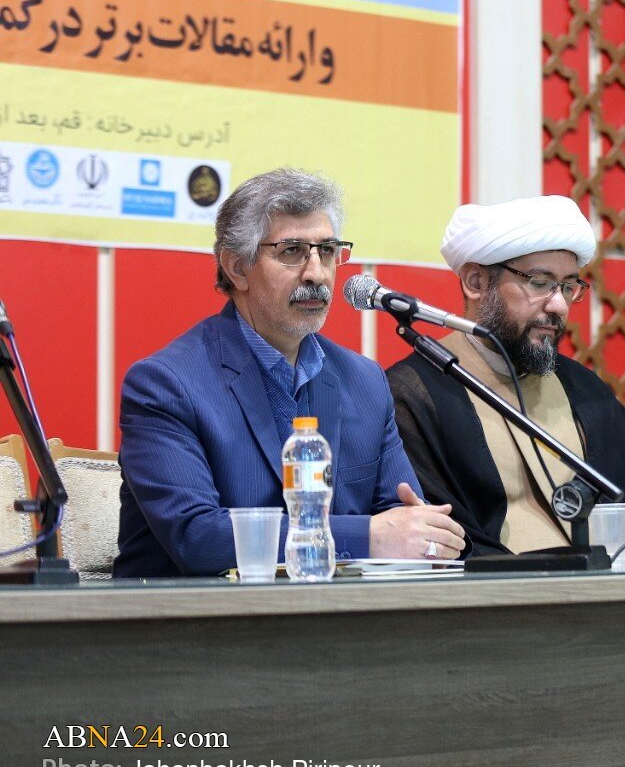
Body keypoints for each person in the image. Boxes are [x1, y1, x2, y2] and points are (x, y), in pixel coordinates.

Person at [114, 168, 466, 577]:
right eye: (293, 251)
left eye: (327, 250)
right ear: (237, 267)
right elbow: (198, 538)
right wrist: (367, 535)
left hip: (341, 612)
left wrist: (426, 535)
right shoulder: (167, 384)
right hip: (197, 614)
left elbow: (399, 516)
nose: (316, 273)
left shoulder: (364, 382)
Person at [388, 195, 625, 556]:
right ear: (476, 282)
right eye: (539, 282)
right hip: (500, 596)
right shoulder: (413, 396)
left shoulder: (585, 390)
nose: (559, 305)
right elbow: (444, 541)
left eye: (568, 287)